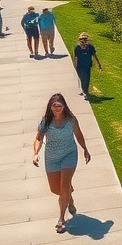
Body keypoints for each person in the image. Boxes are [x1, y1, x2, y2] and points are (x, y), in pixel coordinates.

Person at [32, 93, 91, 234]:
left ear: (64, 106)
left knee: (64, 185)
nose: (57, 108)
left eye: (59, 105)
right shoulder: (46, 121)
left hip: (69, 155)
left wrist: (85, 149)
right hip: (51, 158)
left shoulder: (71, 120)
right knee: (55, 189)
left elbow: (79, 135)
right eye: (54, 106)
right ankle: (69, 197)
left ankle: (61, 218)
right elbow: (38, 138)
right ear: (50, 107)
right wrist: (36, 153)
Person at [72, 32, 102, 98]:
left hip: (87, 65)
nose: (84, 41)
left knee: (87, 79)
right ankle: (83, 90)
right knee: (81, 78)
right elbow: (76, 58)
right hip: (79, 66)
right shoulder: (77, 48)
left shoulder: (90, 47)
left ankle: (86, 92)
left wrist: (99, 64)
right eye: (82, 40)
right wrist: (74, 67)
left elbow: (94, 55)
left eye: (85, 40)